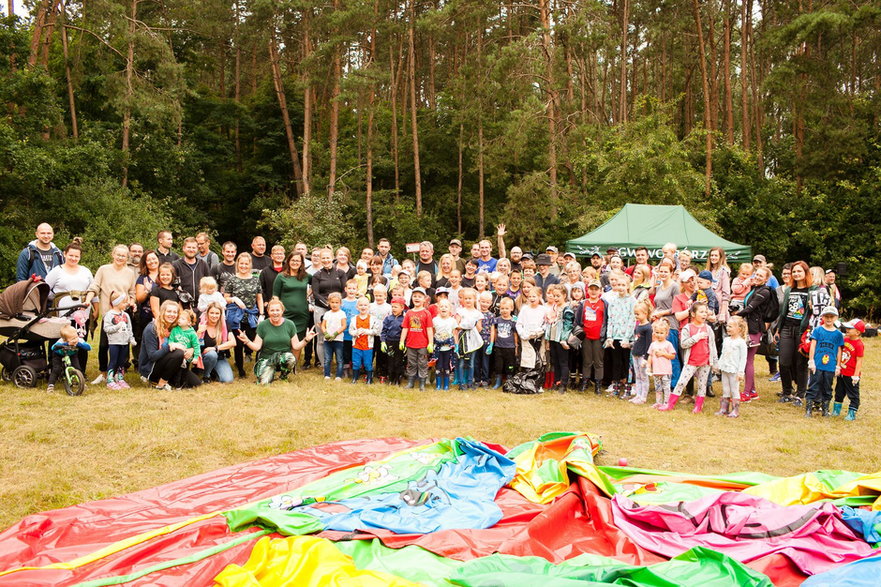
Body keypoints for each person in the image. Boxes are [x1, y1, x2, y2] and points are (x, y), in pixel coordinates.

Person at [86, 245, 137, 385]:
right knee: (103, 345)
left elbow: (132, 292)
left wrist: (132, 302)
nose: (120, 258)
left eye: (124, 255)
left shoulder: (129, 273)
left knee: (122, 346)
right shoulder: (104, 269)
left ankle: (119, 374)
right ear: (113, 254)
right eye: (118, 254)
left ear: (127, 257)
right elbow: (95, 287)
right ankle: (103, 373)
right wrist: (87, 300)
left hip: (123, 314)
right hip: (109, 315)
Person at [237, 299, 316, 384]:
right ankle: (269, 372)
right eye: (272, 310)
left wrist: (306, 339)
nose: (275, 313)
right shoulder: (263, 325)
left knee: (291, 358)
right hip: (267, 359)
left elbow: (296, 346)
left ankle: (284, 375)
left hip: (283, 358)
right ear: (268, 311)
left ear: (282, 311)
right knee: (264, 383)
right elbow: (257, 347)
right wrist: (247, 341)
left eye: (277, 310)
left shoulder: (290, 324)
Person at [658, 302, 718, 413]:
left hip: (705, 362)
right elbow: (684, 344)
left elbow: (712, 346)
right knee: (681, 382)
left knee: (702, 384)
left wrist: (715, 362)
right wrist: (696, 338)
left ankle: (698, 406)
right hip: (691, 362)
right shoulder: (687, 328)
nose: (704, 314)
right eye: (701, 312)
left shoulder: (708, 329)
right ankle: (670, 404)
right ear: (693, 314)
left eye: (705, 312)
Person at [45, 238, 93, 371]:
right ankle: (55, 369)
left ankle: (79, 370)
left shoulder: (85, 271)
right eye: (71, 255)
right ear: (65, 254)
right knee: (58, 340)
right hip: (62, 314)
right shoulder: (57, 271)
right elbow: (45, 288)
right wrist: (55, 299)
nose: (73, 258)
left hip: (82, 315)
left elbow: (93, 289)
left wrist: (96, 308)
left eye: (76, 256)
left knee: (80, 341)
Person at [138, 300, 201, 390]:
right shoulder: (152, 328)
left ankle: (171, 379)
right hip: (151, 366)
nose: (172, 314)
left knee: (195, 383)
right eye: (169, 311)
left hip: (170, 362)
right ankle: (161, 383)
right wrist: (170, 345)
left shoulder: (174, 328)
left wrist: (191, 349)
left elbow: (189, 342)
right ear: (163, 312)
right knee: (178, 352)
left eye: (175, 312)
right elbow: (152, 356)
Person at [735, 266, 776, 402]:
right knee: (747, 359)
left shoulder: (764, 292)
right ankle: (752, 391)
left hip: (754, 328)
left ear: (766, 279)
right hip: (750, 326)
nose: (757, 277)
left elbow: (750, 308)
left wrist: (735, 316)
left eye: (760, 276)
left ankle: (746, 393)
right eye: (756, 274)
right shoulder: (755, 288)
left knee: (748, 360)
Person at [775, 260, 812, 405]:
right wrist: (778, 328)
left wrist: (812, 305)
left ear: (805, 273)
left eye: (799, 271)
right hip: (786, 328)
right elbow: (784, 311)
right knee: (783, 361)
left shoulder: (812, 290)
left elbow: (819, 310)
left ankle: (801, 394)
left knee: (800, 362)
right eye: (794, 272)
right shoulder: (789, 289)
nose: (796, 274)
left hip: (802, 330)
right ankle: (786, 392)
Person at [223, 252, 264, 378]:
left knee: (256, 340)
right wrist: (234, 298)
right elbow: (225, 298)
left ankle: (260, 365)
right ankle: (240, 369)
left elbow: (259, 298)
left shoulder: (255, 279)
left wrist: (261, 314)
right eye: (241, 263)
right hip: (236, 315)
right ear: (237, 264)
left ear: (250, 265)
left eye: (246, 264)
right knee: (239, 344)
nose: (244, 266)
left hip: (251, 315)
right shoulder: (232, 279)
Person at [805, 306, 844, 418]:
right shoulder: (818, 330)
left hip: (830, 366)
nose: (829, 319)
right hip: (817, 364)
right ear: (822, 317)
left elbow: (839, 350)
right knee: (813, 385)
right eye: (826, 316)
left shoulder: (838, 334)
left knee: (828, 387)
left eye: (831, 317)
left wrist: (838, 365)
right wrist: (811, 360)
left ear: (836, 318)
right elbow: (813, 346)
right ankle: (809, 408)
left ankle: (825, 409)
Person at [272, 252, 312, 360]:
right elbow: (275, 296)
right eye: (293, 260)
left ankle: (292, 366)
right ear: (288, 261)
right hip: (285, 314)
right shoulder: (281, 276)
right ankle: (281, 363)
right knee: (284, 340)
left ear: (301, 263)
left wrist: (310, 293)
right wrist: (277, 311)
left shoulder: (306, 276)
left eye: (298, 261)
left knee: (298, 341)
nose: (295, 262)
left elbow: (317, 284)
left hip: (302, 314)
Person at [604, 274, 636, 398]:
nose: (621, 287)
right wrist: (609, 337)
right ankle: (616, 387)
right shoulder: (613, 301)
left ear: (628, 286)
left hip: (627, 338)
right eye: (619, 285)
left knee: (627, 364)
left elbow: (632, 320)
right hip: (615, 337)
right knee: (616, 363)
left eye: (623, 285)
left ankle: (628, 388)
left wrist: (627, 338)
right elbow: (610, 319)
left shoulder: (632, 301)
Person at [575, 279, 606, 394]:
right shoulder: (583, 303)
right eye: (591, 289)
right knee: (587, 361)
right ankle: (585, 382)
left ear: (600, 291)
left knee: (598, 362)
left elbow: (606, 320)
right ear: (587, 290)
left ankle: (598, 384)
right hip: (586, 336)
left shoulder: (604, 304)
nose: (593, 292)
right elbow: (577, 321)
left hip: (598, 337)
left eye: (596, 289)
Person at [716, 316, 748, 418]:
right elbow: (723, 353)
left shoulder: (741, 343)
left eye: (731, 326)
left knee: (734, 389)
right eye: (727, 326)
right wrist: (718, 365)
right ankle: (724, 408)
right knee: (725, 388)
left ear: (739, 329)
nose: (728, 328)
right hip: (725, 368)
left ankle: (735, 409)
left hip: (734, 370)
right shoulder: (726, 340)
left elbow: (743, 358)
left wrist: (741, 372)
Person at [401, 287, 434, 390]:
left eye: (419, 296)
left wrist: (430, 343)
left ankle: (422, 383)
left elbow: (429, 329)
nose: (417, 298)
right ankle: (410, 382)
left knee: (423, 364)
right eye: (415, 296)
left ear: (424, 299)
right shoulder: (409, 313)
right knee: (411, 363)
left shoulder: (426, 313)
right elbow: (405, 328)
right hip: (411, 344)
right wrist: (402, 341)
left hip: (423, 344)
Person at [102, 292, 136, 389]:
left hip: (124, 342)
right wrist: (117, 326)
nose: (127, 304)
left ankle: (120, 378)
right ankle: (110, 379)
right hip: (114, 342)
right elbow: (107, 329)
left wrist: (131, 339)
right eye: (124, 302)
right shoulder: (109, 315)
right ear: (117, 303)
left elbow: (129, 328)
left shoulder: (125, 315)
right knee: (114, 361)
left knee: (122, 361)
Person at [544, 284, 574, 393]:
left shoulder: (567, 308)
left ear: (564, 295)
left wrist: (564, 339)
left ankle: (564, 384)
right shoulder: (553, 307)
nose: (556, 298)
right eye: (554, 296)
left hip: (561, 339)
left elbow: (568, 325)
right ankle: (556, 382)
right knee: (555, 361)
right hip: (553, 338)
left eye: (558, 296)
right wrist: (548, 339)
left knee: (563, 362)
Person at [833, 318, 865, 421]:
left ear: (857, 332)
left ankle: (852, 413)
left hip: (851, 375)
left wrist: (856, 375)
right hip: (842, 373)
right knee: (839, 392)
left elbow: (859, 361)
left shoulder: (859, 345)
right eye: (847, 327)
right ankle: (836, 410)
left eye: (850, 328)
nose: (847, 329)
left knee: (853, 394)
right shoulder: (845, 340)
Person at [47, 325, 92, 394]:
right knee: (56, 369)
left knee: (77, 368)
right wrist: (65, 344)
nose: (75, 339)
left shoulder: (78, 340)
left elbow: (89, 347)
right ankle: (50, 385)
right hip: (58, 355)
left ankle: (81, 382)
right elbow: (53, 347)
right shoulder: (61, 341)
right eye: (72, 338)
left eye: (76, 337)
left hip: (72, 354)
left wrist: (80, 344)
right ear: (65, 339)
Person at [197, 302, 236, 383]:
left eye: (217, 313)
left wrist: (215, 348)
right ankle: (206, 375)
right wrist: (198, 332)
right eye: (211, 313)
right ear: (207, 313)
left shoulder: (224, 325)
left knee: (227, 380)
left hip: (219, 357)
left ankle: (213, 371)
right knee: (212, 354)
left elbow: (233, 342)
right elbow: (191, 343)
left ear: (220, 314)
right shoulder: (200, 324)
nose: (214, 316)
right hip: (203, 357)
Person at [454, 288, 483, 390]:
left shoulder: (477, 313)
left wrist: (473, 324)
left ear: (474, 299)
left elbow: (479, 328)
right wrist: (466, 325)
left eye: (470, 298)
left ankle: (470, 382)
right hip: (462, 340)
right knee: (461, 362)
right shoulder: (460, 311)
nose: (468, 300)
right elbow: (456, 326)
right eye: (466, 298)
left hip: (472, 340)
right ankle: (462, 383)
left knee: (471, 363)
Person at [349, 296, 380, 383]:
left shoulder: (372, 319)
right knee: (356, 362)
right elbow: (351, 331)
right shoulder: (354, 319)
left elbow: (376, 331)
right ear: (357, 307)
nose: (363, 307)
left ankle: (369, 378)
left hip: (367, 346)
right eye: (361, 305)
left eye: (365, 305)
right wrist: (356, 332)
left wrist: (367, 331)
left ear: (369, 307)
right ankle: (355, 378)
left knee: (367, 363)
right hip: (356, 345)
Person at [173, 237, 209, 311]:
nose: (191, 250)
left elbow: (209, 283)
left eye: (194, 248)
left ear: (197, 249)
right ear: (183, 248)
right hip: (183, 307)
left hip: (201, 306)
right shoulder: (176, 265)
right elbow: (173, 286)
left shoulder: (203, 264)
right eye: (189, 247)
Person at [489, 297, 518, 389]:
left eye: (506, 308)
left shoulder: (513, 321)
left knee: (510, 365)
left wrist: (516, 346)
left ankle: (509, 380)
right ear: (499, 308)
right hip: (499, 347)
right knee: (498, 365)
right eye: (502, 308)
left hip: (510, 347)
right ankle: (498, 381)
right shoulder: (497, 320)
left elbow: (515, 334)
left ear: (511, 309)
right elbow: (495, 332)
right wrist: (493, 343)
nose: (504, 310)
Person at [647, 320, 675, 409]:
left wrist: (663, 354)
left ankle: (667, 403)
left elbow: (672, 356)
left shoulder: (668, 344)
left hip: (666, 371)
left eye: (661, 333)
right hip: (656, 371)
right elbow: (650, 356)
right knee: (658, 388)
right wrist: (648, 366)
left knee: (666, 388)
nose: (659, 335)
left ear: (666, 333)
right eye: (657, 332)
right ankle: (658, 402)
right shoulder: (653, 345)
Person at [629, 301, 653, 404]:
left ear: (645, 313)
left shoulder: (648, 328)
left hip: (643, 355)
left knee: (643, 376)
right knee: (637, 375)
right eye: (635, 314)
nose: (636, 316)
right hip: (635, 354)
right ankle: (638, 395)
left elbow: (649, 344)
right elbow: (636, 340)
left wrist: (646, 358)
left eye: (638, 314)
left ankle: (643, 397)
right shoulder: (638, 326)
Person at [321, 292, 347, 380]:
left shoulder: (342, 313)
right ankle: (327, 374)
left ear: (340, 303)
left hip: (338, 340)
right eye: (332, 302)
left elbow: (344, 326)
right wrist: (326, 334)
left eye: (337, 302)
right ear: (329, 302)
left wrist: (335, 334)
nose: (334, 304)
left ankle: (339, 375)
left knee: (339, 358)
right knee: (327, 358)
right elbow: (322, 325)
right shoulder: (327, 313)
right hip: (327, 340)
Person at [381, 297, 406, 385]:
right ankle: (390, 378)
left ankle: (397, 379)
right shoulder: (388, 318)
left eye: (396, 307)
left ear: (402, 308)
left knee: (398, 361)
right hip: (389, 342)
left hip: (399, 343)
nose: (393, 309)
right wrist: (383, 341)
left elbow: (406, 332)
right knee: (390, 361)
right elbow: (383, 331)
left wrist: (405, 343)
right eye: (392, 307)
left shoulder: (404, 319)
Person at [432, 299, 457, 390]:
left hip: (448, 348)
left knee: (447, 366)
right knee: (438, 366)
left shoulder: (452, 321)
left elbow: (454, 334)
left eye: (446, 306)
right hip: (438, 348)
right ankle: (438, 385)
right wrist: (431, 344)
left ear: (450, 309)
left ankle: (446, 385)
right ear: (438, 308)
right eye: (441, 306)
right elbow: (433, 332)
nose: (443, 308)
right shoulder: (435, 320)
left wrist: (456, 345)